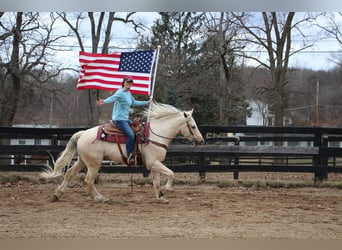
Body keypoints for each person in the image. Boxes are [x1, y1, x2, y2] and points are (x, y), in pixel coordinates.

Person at [96, 76, 152, 165]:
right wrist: (104, 101)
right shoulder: (120, 92)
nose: (129, 84)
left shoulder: (128, 93)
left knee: (138, 129)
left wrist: (146, 102)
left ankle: (137, 152)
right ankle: (129, 155)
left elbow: (134, 102)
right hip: (119, 119)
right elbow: (112, 98)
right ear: (123, 83)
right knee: (130, 134)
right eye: (127, 82)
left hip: (125, 119)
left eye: (130, 83)